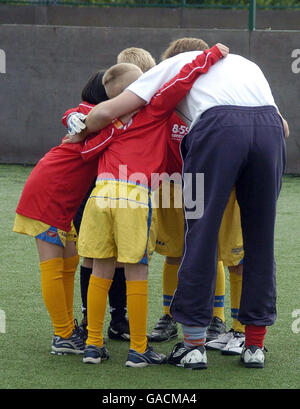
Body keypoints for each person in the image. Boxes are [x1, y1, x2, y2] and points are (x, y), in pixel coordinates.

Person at [75, 45, 288, 369]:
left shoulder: (168, 69)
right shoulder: (242, 64)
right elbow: (283, 127)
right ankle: (254, 345)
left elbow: (107, 112)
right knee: (259, 240)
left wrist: (80, 129)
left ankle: (193, 345)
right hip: (270, 131)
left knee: (199, 237)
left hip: (217, 129)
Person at [64, 44, 228, 367]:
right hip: (134, 196)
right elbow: (180, 81)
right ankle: (138, 349)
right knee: (137, 270)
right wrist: (210, 55)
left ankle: (93, 345)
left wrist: (73, 119)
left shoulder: (105, 119)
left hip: (100, 195)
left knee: (100, 267)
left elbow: (81, 131)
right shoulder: (153, 108)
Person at [66, 47, 157, 343]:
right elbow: (79, 111)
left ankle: (113, 323)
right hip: (99, 191)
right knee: (97, 259)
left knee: (112, 260)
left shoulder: (140, 111)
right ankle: (98, 327)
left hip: (105, 191)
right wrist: (72, 120)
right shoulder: (106, 98)